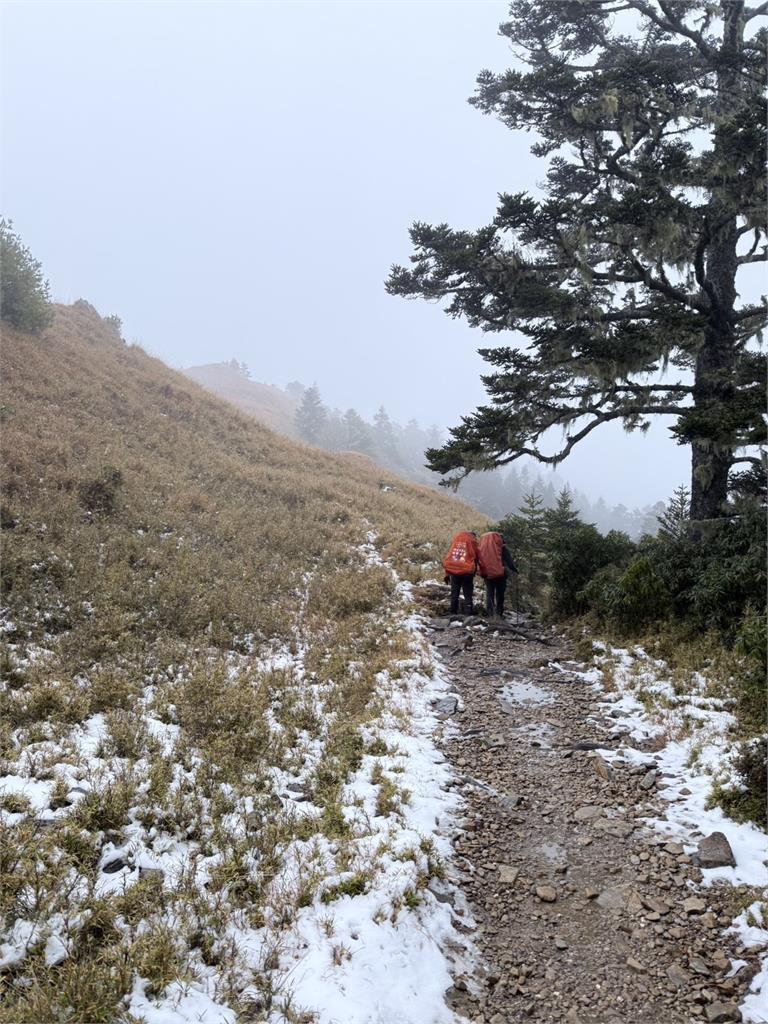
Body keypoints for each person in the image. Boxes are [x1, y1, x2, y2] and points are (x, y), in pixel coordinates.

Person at [478, 531, 518, 619]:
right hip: (501, 574)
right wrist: (514, 570)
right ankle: (499, 613)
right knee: (500, 594)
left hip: (487, 574)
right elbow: (509, 561)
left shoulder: (484, 547)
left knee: (490, 592)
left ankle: (490, 613)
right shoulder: (502, 548)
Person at [442, 530, 479, 616]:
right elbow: (476, 557)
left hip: (454, 570)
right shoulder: (473, 542)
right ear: (473, 536)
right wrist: (475, 571)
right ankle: (468, 612)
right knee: (467, 593)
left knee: (455, 592)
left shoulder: (456, 540)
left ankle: (453, 611)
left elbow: (450, 557)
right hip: (467, 571)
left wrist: (447, 574)